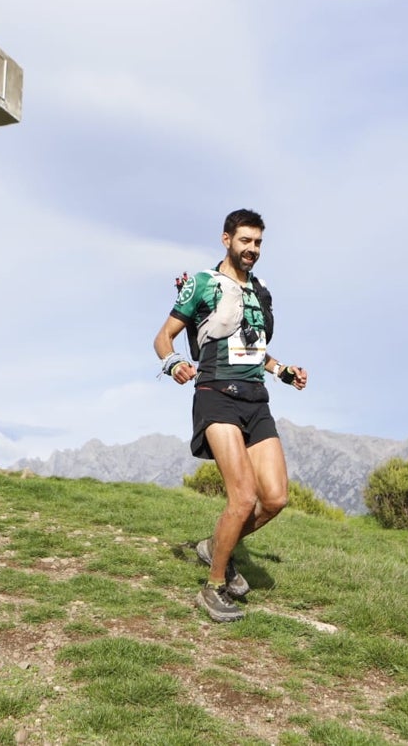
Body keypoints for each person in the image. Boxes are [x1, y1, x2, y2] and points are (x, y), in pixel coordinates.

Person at [153, 208, 308, 622]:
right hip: (216, 394)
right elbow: (163, 337)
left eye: (257, 242)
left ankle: (213, 546)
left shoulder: (261, 291)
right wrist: (173, 365)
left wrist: (283, 371)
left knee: (274, 498)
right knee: (243, 498)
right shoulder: (202, 283)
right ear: (226, 240)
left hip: (256, 400)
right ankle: (214, 585)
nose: (252, 249)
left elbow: (254, 347)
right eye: (245, 241)